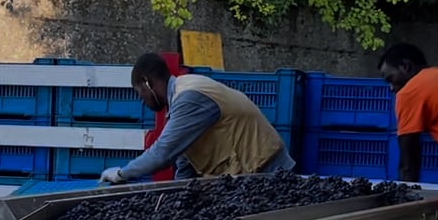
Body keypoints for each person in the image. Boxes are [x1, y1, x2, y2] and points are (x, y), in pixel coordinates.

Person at [99, 52, 295, 185]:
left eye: (140, 93)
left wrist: (120, 174)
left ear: (147, 82)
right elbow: (185, 162)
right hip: (253, 174)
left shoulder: (189, 97)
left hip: (269, 173)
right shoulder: (182, 96)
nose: (143, 101)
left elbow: (162, 154)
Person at [378, 42, 438, 182]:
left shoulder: (408, 92)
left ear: (405, 66)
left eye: (390, 79)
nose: (391, 88)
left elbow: (408, 163)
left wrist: (404, 197)